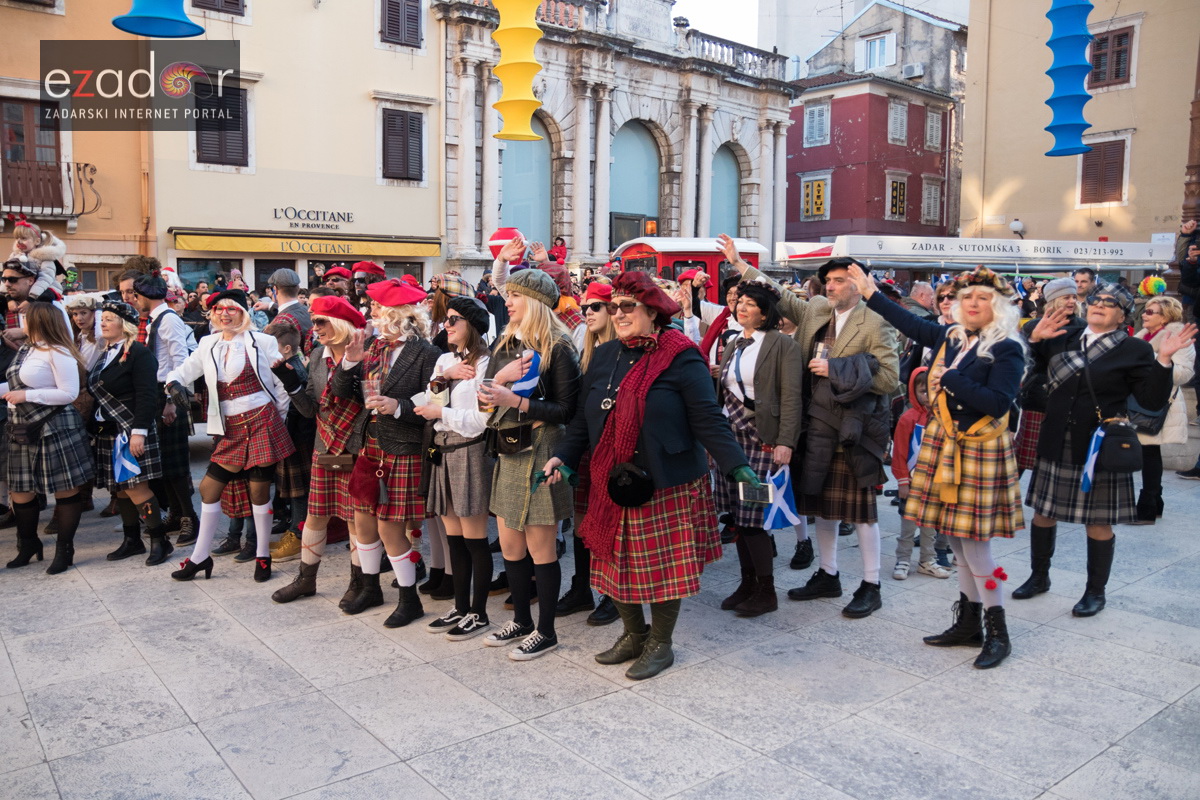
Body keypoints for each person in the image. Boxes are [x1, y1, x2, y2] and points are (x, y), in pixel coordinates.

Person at [543, 271, 755, 679]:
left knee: (662, 570)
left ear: (653, 311)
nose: (618, 314)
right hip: (613, 477)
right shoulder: (605, 354)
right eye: (613, 307)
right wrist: (563, 457)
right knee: (612, 562)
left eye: (628, 307)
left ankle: (661, 643)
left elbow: (707, 417)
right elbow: (585, 420)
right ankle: (634, 634)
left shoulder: (681, 355)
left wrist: (736, 464)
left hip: (666, 479)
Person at [850, 264, 1027, 668]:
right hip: (946, 445)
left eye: (983, 298)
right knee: (959, 546)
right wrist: (870, 293)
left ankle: (998, 632)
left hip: (978, 450)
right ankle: (968, 623)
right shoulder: (953, 336)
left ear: (999, 306)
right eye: (967, 297)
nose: (973, 303)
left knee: (977, 549)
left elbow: (998, 402)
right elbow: (910, 324)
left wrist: (951, 379)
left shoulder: (1007, 347)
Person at [721, 236, 900, 619]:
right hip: (815, 428)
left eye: (839, 280)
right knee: (822, 506)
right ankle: (828, 574)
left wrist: (837, 369)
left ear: (859, 283)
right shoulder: (818, 308)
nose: (831, 286)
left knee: (861, 512)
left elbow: (889, 379)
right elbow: (780, 297)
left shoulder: (875, 322)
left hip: (853, 430)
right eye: (828, 280)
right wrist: (739, 264)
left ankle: (871, 585)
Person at [1018, 286, 1195, 616]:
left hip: (1099, 445)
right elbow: (1028, 370)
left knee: (1097, 521)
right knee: (1043, 512)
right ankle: (1038, 577)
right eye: (1095, 300)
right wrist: (1033, 339)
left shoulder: (1134, 349)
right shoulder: (1062, 336)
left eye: (1109, 303)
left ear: (1122, 315)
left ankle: (1095, 592)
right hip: (1056, 437)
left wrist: (1164, 360)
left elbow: (1151, 400)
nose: (1099, 305)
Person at [478, 267, 581, 660]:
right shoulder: (506, 342)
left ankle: (546, 631)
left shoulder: (559, 346)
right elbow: (485, 398)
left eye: (515, 295)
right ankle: (521, 620)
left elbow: (567, 410)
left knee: (541, 548)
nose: (507, 302)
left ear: (535, 302)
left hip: (541, 448)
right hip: (509, 447)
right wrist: (500, 382)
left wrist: (516, 401)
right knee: (509, 545)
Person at [165, 289, 294, 582]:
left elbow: (281, 383)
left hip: (262, 420)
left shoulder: (262, 341)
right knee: (209, 488)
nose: (225, 314)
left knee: (259, 492)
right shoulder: (208, 343)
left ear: (243, 312)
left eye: (231, 309)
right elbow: (182, 371)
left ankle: (262, 555)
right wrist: (173, 385)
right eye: (219, 309)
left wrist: (278, 418)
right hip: (230, 427)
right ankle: (200, 556)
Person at [334, 279, 439, 626]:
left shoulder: (426, 353)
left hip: (404, 446)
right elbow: (344, 392)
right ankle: (370, 588)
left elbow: (434, 403)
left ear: (398, 312)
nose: (372, 312)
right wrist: (349, 363)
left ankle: (410, 600)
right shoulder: (373, 346)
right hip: (371, 443)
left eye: (378, 306)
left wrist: (398, 406)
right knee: (363, 521)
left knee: (390, 527)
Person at [271, 295, 371, 604]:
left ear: (340, 323)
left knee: (355, 520)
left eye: (321, 321)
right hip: (324, 444)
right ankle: (306, 580)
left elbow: (367, 405)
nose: (314, 327)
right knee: (315, 514)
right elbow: (309, 409)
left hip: (357, 447)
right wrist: (291, 384)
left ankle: (358, 583)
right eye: (314, 322)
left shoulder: (366, 356)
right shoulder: (316, 355)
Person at [714, 278, 803, 617]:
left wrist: (785, 442)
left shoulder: (783, 345)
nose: (742, 307)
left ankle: (766, 591)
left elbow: (792, 397)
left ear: (765, 313)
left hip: (761, 439)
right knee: (738, 516)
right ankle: (747, 583)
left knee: (754, 516)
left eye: (750, 304)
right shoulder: (734, 342)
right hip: (731, 438)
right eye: (740, 302)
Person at [413, 296, 495, 639]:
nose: (445, 325)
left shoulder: (487, 363)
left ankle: (478, 613)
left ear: (471, 325)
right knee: (454, 539)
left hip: (469, 451)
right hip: (443, 450)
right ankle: (461, 607)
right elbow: (428, 400)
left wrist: (441, 413)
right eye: (445, 319)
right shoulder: (445, 360)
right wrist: (445, 376)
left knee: (475, 539)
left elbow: (481, 421)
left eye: (453, 319)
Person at [3, 303, 94, 573]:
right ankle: (28, 544)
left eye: (26, 319)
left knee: (64, 488)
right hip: (21, 426)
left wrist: (27, 395)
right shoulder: (27, 349)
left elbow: (69, 393)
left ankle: (65, 549)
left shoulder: (59, 351)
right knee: (20, 490)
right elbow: (16, 384)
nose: (22, 323)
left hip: (53, 426)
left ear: (39, 321)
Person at [87, 300, 174, 566]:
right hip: (110, 431)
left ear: (124, 325)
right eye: (102, 318)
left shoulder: (139, 353)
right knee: (121, 488)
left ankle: (160, 540)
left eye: (109, 319)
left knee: (136, 486)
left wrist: (139, 432)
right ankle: (132, 540)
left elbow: (148, 395)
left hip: (131, 429)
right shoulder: (105, 352)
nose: (103, 322)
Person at [555, 280, 619, 625]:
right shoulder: (586, 348)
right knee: (581, 525)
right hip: (586, 448)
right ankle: (582, 587)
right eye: (585, 308)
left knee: (609, 524)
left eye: (595, 307)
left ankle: (613, 594)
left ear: (612, 310)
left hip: (615, 450)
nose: (588, 313)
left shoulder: (623, 351)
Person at [134, 271, 200, 547]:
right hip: (158, 392)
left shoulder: (169, 319)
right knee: (164, 463)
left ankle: (189, 518)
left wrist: (171, 400)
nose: (134, 300)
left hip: (168, 393)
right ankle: (175, 514)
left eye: (136, 295)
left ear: (145, 296)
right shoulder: (154, 319)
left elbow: (180, 360)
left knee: (175, 464)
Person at [1131, 296, 1194, 524]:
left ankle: (1147, 505)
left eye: (1151, 312)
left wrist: (1158, 358)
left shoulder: (1179, 337)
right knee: (1148, 451)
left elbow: (1183, 374)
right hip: (1137, 400)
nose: (1144, 315)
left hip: (1161, 403)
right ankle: (1155, 502)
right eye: (1145, 311)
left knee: (1149, 452)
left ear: (1165, 317)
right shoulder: (1140, 337)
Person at [1014, 278, 1083, 476]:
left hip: (1070, 401)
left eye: (1073, 297)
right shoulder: (1033, 326)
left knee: (1056, 465)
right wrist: (1034, 340)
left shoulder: (1084, 327)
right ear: (1053, 300)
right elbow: (1023, 363)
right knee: (1023, 460)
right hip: (1038, 400)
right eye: (1066, 297)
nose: (1071, 301)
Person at [889, 366, 950, 581]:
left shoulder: (943, 417)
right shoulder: (908, 418)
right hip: (912, 481)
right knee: (908, 526)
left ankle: (927, 560)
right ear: (913, 392)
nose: (928, 396)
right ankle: (903, 559)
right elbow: (899, 452)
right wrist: (902, 481)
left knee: (929, 526)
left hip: (935, 481)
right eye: (923, 391)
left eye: (932, 390)